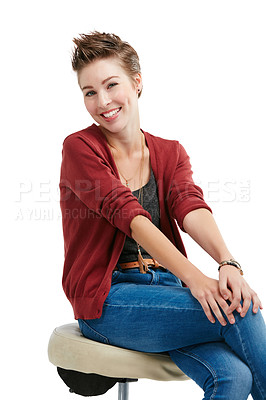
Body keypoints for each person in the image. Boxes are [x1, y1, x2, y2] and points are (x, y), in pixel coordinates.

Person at [59, 31, 266, 399]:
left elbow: (190, 206)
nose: (102, 101)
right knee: (242, 312)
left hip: (168, 294)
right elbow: (131, 217)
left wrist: (227, 263)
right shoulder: (80, 148)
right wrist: (197, 279)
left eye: (111, 85)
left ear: (136, 83)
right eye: (89, 92)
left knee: (233, 378)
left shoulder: (170, 153)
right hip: (109, 302)